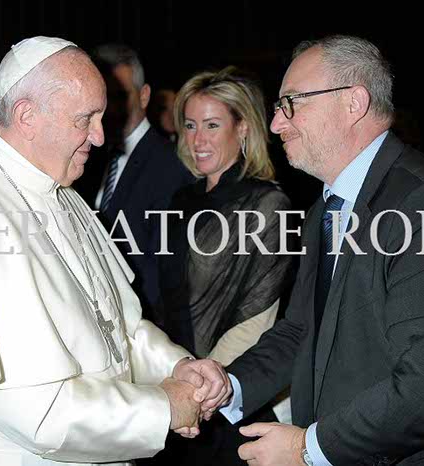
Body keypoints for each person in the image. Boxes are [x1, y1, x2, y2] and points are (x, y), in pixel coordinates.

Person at [0, 36, 231, 466]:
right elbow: (39, 415)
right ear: (27, 116)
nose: (101, 137)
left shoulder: (61, 191)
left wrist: (177, 369)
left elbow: (117, 326)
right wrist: (163, 408)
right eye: (85, 119)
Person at [219, 35, 424, 465]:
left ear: (353, 102)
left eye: (291, 102)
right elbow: (302, 331)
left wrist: (307, 448)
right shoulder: (323, 211)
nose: (276, 124)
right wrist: (228, 384)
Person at [154, 67, 296, 465]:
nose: (198, 139)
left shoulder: (268, 204)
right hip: (177, 393)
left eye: (212, 125)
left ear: (244, 128)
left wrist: (203, 390)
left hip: (229, 399)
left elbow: (259, 315)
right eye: (190, 125)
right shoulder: (182, 199)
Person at [80, 44, 194, 323]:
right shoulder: (88, 158)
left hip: (141, 327)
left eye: (120, 96)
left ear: (144, 97)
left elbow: (163, 270)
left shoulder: (169, 165)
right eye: (103, 97)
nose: (109, 108)